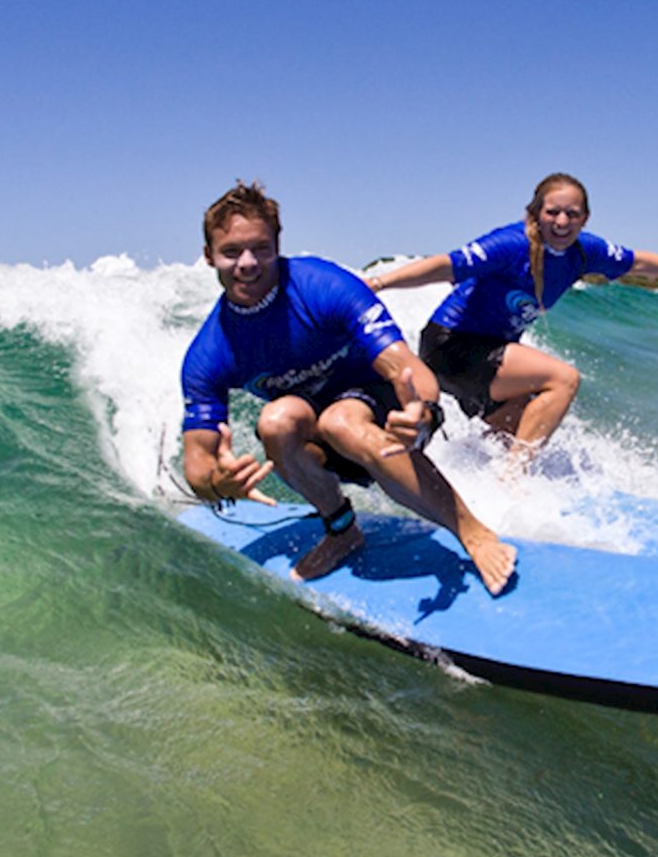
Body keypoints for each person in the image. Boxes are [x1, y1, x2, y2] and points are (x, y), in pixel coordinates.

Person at [181, 180, 517, 595]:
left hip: (387, 414)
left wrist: (424, 413)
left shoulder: (323, 286)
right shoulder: (211, 351)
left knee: (342, 419)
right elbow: (196, 464)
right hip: (322, 443)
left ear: (277, 245)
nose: (247, 263)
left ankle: (472, 532)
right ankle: (341, 531)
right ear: (209, 255)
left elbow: (407, 368)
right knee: (276, 421)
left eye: (260, 248)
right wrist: (218, 483)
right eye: (231, 251)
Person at [368, 172, 658, 467]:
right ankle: (513, 482)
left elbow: (638, 261)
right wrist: (380, 282)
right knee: (563, 378)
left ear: (585, 217)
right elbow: (446, 265)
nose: (562, 221)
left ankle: (474, 486)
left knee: (518, 433)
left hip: (489, 354)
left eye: (572, 213)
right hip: (453, 346)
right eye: (552, 212)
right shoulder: (510, 244)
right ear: (535, 214)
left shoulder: (583, 251)